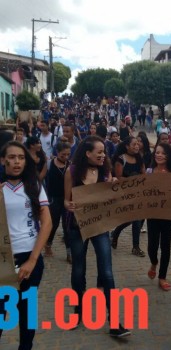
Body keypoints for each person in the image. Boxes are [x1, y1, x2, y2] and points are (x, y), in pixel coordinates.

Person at [64, 135, 130, 337]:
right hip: (77, 227)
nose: (103, 155)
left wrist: (114, 186)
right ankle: (78, 310)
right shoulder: (72, 171)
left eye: (104, 152)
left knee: (107, 273)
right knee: (78, 270)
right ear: (87, 153)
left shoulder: (105, 172)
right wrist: (70, 205)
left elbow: (111, 200)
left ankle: (113, 321)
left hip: (100, 227)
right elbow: (66, 201)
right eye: (99, 152)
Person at [0, 141, 52, 350]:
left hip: (29, 257)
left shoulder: (34, 186)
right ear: (3, 160)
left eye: (21, 158)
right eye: (11, 157)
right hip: (3, 259)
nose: (16, 162)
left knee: (27, 311)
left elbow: (46, 223)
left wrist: (32, 260)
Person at [146, 143, 171, 291]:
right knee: (152, 246)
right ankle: (154, 261)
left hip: (168, 215)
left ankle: (162, 276)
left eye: (163, 153)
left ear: (168, 156)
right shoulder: (149, 171)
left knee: (165, 246)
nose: (159, 155)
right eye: (157, 152)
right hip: (152, 214)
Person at [110, 136, 145, 256]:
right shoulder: (121, 159)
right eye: (134, 144)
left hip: (138, 193)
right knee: (132, 219)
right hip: (124, 194)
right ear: (127, 146)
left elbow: (143, 174)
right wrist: (132, 181)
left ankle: (133, 245)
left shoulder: (139, 158)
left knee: (135, 219)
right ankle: (118, 236)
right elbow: (119, 177)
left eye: (138, 144)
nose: (137, 146)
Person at [44, 142, 71, 262]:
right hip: (53, 199)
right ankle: (48, 245)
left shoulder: (70, 165)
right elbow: (41, 178)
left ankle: (69, 253)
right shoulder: (49, 164)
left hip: (67, 199)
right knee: (53, 224)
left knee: (67, 226)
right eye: (63, 154)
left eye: (68, 154)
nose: (65, 157)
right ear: (57, 153)